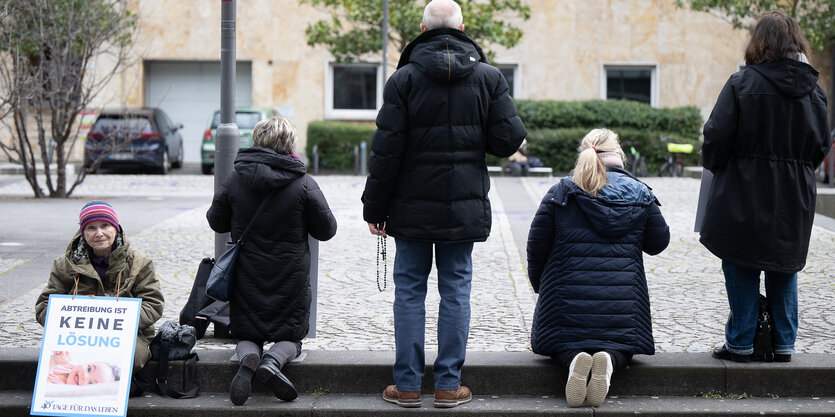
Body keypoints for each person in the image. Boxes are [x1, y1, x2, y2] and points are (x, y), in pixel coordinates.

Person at [361, 0, 527, 409]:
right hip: (462, 209)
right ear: (463, 27)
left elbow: (386, 154)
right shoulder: (489, 78)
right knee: (456, 291)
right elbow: (509, 141)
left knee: (410, 292)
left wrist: (374, 209)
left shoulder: (404, 80)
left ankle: (409, 386)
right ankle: (449, 386)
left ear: (421, 29)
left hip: (411, 209)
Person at [700, 11, 831, 364]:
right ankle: (785, 343)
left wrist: (719, 164)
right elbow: (821, 145)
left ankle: (741, 342)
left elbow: (715, 136)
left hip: (744, 189)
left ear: (758, 43)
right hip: (794, 195)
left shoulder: (742, 84)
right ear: (797, 44)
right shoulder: (815, 93)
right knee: (783, 266)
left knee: (740, 263)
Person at [526, 128, 670, 407]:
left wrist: (542, 288)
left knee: (562, 342)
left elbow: (536, 247)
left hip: (565, 302)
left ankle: (574, 361)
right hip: (622, 306)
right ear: (618, 154)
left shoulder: (561, 191)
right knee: (622, 345)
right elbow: (658, 243)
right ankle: (610, 361)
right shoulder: (641, 193)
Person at [207, 116, 337, 406]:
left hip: (246, 275)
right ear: (289, 143)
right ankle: (274, 361)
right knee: (292, 335)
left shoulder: (235, 178)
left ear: (256, 139)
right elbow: (327, 230)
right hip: (290, 277)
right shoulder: (303, 183)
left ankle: (250, 358)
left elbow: (216, 221)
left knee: (246, 331)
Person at [35, 201, 163, 396]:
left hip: (128, 331)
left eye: (105, 226)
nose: (99, 233)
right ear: (83, 233)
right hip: (79, 332)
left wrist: (119, 319)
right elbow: (44, 306)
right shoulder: (64, 265)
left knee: (132, 357)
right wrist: (71, 317)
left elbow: (153, 303)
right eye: (91, 228)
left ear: (116, 228)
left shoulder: (139, 262)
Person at [47, 351, 120, 386]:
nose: (85, 375)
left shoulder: (60, 388)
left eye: (90, 383)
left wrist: (53, 361)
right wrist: (59, 353)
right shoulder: (69, 362)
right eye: (89, 369)